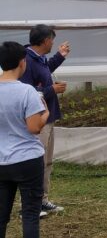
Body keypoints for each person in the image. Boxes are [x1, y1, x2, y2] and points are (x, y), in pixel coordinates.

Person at [0, 41, 57, 238]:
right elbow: (34, 128)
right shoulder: (26, 92)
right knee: (31, 214)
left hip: (1, 162)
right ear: (22, 62)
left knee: (1, 215)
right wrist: (44, 112)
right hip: (27, 160)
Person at [20, 24, 70, 216]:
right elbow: (26, 92)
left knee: (46, 162)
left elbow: (45, 70)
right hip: (37, 119)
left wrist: (60, 56)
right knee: (36, 161)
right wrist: (52, 90)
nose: (53, 43)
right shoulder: (25, 60)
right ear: (44, 41)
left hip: (48, 116)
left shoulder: (38, 58)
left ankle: (42, 200)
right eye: (52, 40)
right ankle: (31, 205)